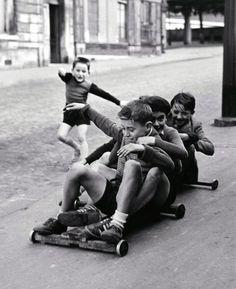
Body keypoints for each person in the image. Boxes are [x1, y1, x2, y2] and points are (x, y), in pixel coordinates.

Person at [33, 100, 174, 243]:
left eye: (131, 129)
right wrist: (86, 110)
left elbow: (170, 164)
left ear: (147, 126)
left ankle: (117, 225)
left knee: (132, 165)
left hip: (137, 201)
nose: (126, 133)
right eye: (124, 128)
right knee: (77, 170)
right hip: (117, 194)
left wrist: (144, 150)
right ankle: (60, 220)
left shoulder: (152, 140)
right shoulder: (125, 134)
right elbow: (107, 125)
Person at [57, 56, 121, 161]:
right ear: (72, 71)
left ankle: (83, 163)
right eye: (77, 70)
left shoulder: (88, 85)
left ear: (88, 73)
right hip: (69, 112)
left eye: (83, 71)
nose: (80, 74)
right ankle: (77, 148)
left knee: (81, 137)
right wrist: (61, 71)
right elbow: (61, 73)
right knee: (60, 136)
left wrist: (118, 102)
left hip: (82, 112)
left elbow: (104, 94)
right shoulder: (68, 78)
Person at [167, 92, 215, 184]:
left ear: (192, 113)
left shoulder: (195, 124)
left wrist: (191, 139)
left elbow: (210, 148)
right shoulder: (163, 119)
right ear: (170, 110)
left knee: (190, 148)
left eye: (184, 113)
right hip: (166, 165)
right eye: (176, 112)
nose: (179, 117)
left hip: (185, 173)